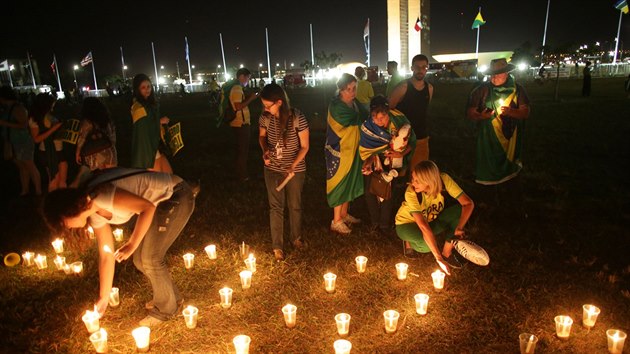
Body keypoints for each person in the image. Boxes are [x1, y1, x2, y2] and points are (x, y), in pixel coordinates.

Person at [43, 169, 195, 327]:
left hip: (176, 195)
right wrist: (104, 297)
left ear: (70, 210)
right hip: (158, 204)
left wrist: (132, 244)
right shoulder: (93, 213)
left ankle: (166, 310)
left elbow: (147, 208)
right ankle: (172, 299)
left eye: (63, 223)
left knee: (151, 258)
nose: (67, 228)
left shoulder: (100, 196)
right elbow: (106, 256)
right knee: (140, 260)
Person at [466, 58, 530, 215]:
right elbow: (470, 112)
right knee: (486, 167)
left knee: (511, 173)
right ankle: (487, 203)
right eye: (491, 75)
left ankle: (512, 204)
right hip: (487, 139)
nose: (493, 78)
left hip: (510, 139)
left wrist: (510, 112)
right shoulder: (481, 90)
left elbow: (525, 112)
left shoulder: (518, 90)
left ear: (507, 73)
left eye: (498, 75)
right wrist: (481, 116)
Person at [258, 83, 309, 261]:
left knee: (294, 205)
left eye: (268, 105)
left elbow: (305, 146)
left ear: (279, 102)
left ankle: (296, 238)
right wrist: (265, 150)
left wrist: (292, 165)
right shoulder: (265, 117)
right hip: (272, 169)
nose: (265, 108)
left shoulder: (297, 117)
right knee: (275, 207)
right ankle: (277, 246)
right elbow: (262, 137)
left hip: (295, 170)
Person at [395, 161, 474, 273]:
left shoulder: (444, 180)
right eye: (413, 179)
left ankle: (447, 252)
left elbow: (468, 204)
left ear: (429, 181)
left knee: (459, 211)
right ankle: (409, 242)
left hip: (430, 220)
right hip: (406, 224)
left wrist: (459, 227)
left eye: (417, 181)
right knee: (425, 247)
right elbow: (423, 226)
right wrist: (438, 258)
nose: (413, 183)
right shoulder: (411, 192)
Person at [359, 95, 416, 235]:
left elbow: (412, 141)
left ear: (388, 112)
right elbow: (368, 151)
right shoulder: (368, 127)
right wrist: (368, 163)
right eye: (375, 117)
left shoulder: (399, 120)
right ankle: (375, 222)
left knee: (388, 192)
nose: (379, 121)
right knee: (369, 191)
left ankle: (384, 225)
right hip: (375, 161)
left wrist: (401, 154)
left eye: (383, 117)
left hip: (393, 162)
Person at [325, 73, 368, 235]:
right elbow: (359, 119)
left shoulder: (354, 103)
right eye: (348, 89)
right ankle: (336, 221)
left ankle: (343, 214)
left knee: (350, 180)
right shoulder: (337, 106)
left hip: (353, 149)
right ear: (340, 90)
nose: (352, 92)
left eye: (354, 88)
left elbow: (363, 115)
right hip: (339, 151)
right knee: (340, 182)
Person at [389, 54, 434, 171]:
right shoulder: (403, 87)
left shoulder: (429, 88)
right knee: (398, 173)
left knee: (419, 172)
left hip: (421, 137)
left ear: (427, 68)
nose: (420, 70)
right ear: (412, 68)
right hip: (402, 139)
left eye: (423, 67)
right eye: (417, 67)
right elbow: (389, 109)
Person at [0, 87, 41, 196]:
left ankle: (38, 191)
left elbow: (23, 124)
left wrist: (5, 123)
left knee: (29, 165)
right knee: (22, 167)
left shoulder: (17, 108)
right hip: (14, 141)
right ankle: (25, 190)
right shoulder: (9, 108)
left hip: (22, 141)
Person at [130, 74, 172, 173]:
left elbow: (150, 122)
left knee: (169, 176)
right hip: (147, 150)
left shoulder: (151, 104)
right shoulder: (137, 107)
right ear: (137, 89)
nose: (147, 89)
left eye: (148, 86)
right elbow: (142, 128)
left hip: (157, 146)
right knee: (157, 183)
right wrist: (159, 122)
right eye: (143, 87)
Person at [73, 98, 117, 186]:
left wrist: (78, 152)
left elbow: (82, 138)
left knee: (98, 180)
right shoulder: (107, 120)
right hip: (109, 151)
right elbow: (113, 137)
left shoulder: (87, 122)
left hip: (94, 154)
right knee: (112, 178)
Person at [28, 93, 68, 191]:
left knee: (62, 179)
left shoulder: (50, 115)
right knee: (54, 179)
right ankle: (52, 203)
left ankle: (64, 201)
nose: (53, 106)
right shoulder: (35, 119)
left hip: (58, 150)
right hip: (48, 152)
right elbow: (36, 139)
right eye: (52, 104)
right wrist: (54, 129)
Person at [229, 68, 259, 182]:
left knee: (241, 150)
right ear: (242, 76)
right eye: (248, 77)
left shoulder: (238, 88)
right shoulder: (237, 88)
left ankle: (241, 173)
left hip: (240, 124)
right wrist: (251, 98)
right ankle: (242, 175)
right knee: (243, 151)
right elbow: (238, 107)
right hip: (240, 125)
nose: (248, 80)